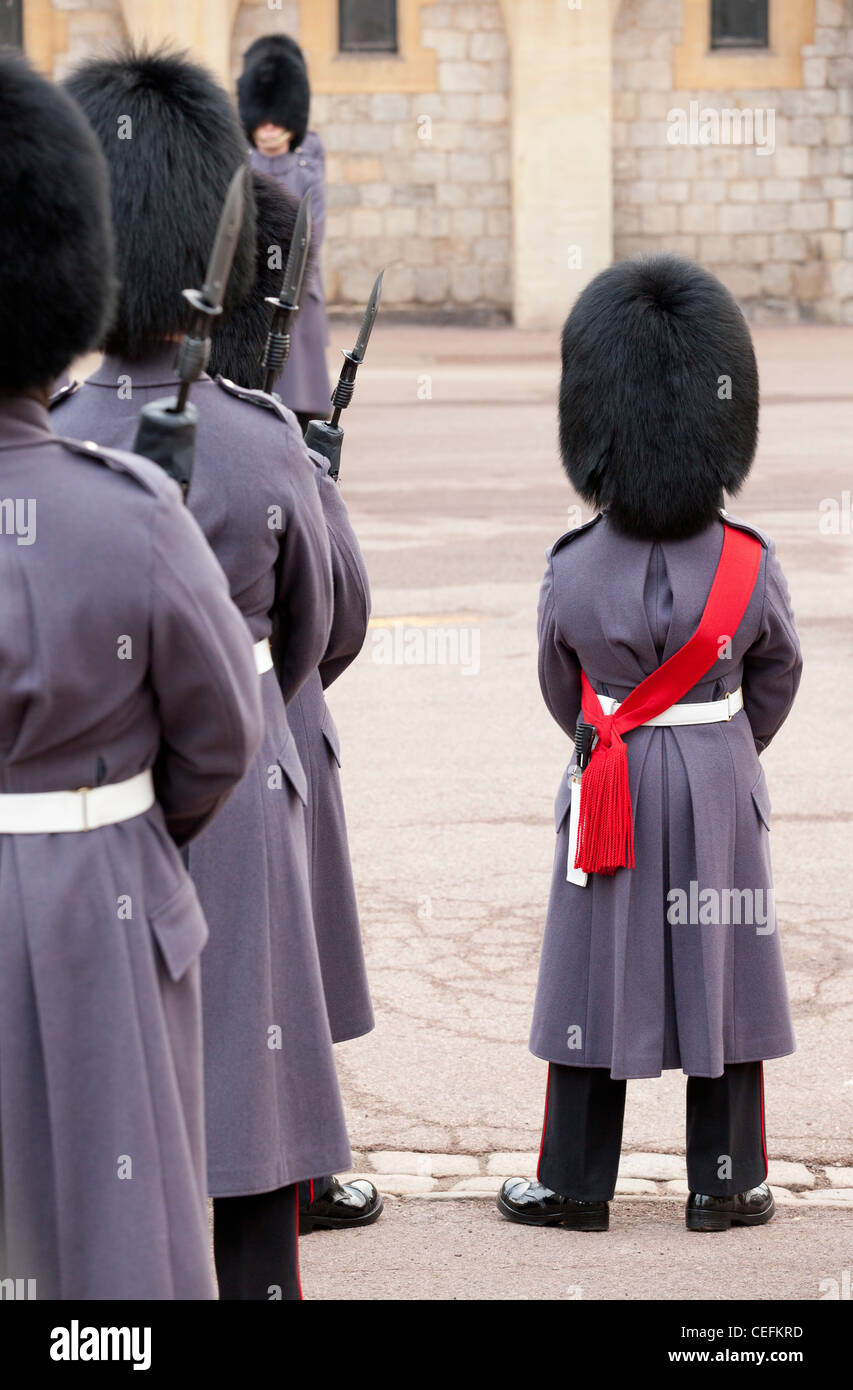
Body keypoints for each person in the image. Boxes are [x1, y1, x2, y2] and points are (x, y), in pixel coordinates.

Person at [56, 47, 351, 1300]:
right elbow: (327, 634)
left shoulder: (54, 434)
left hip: (87, 813)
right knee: (245, 1124)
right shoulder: (263, 438)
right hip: (238, 806)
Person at [0, 51, 263, 1299]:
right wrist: (117, 828)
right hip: (99, 894)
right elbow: (221, 736)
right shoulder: (132, 514)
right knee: (114, 1255)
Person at [498, 255, 802, 1234]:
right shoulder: (750, 564)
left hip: (612, 775)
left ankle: (576, 1185)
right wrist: (720, 748)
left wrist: (616, 742)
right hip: (718, 770)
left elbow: (560, 685)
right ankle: (723, 1183)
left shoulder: (573, 568)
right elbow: (778, 673)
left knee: (595, 969)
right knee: (728, 973)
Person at [209, 169, 382, 1233]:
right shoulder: (265, 436)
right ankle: (290, 1174)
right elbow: (333, 626)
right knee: (267, 976)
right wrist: (318, 481)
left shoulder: (76, 423)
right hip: (264, 724)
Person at [237, 33, 332, 432]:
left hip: (300, 292)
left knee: (300, 393)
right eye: (263, 120)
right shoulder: (242, 163)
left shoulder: (307, 166)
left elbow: (315, 229)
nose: (270, 128)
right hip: (252, 290)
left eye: (278, 120)